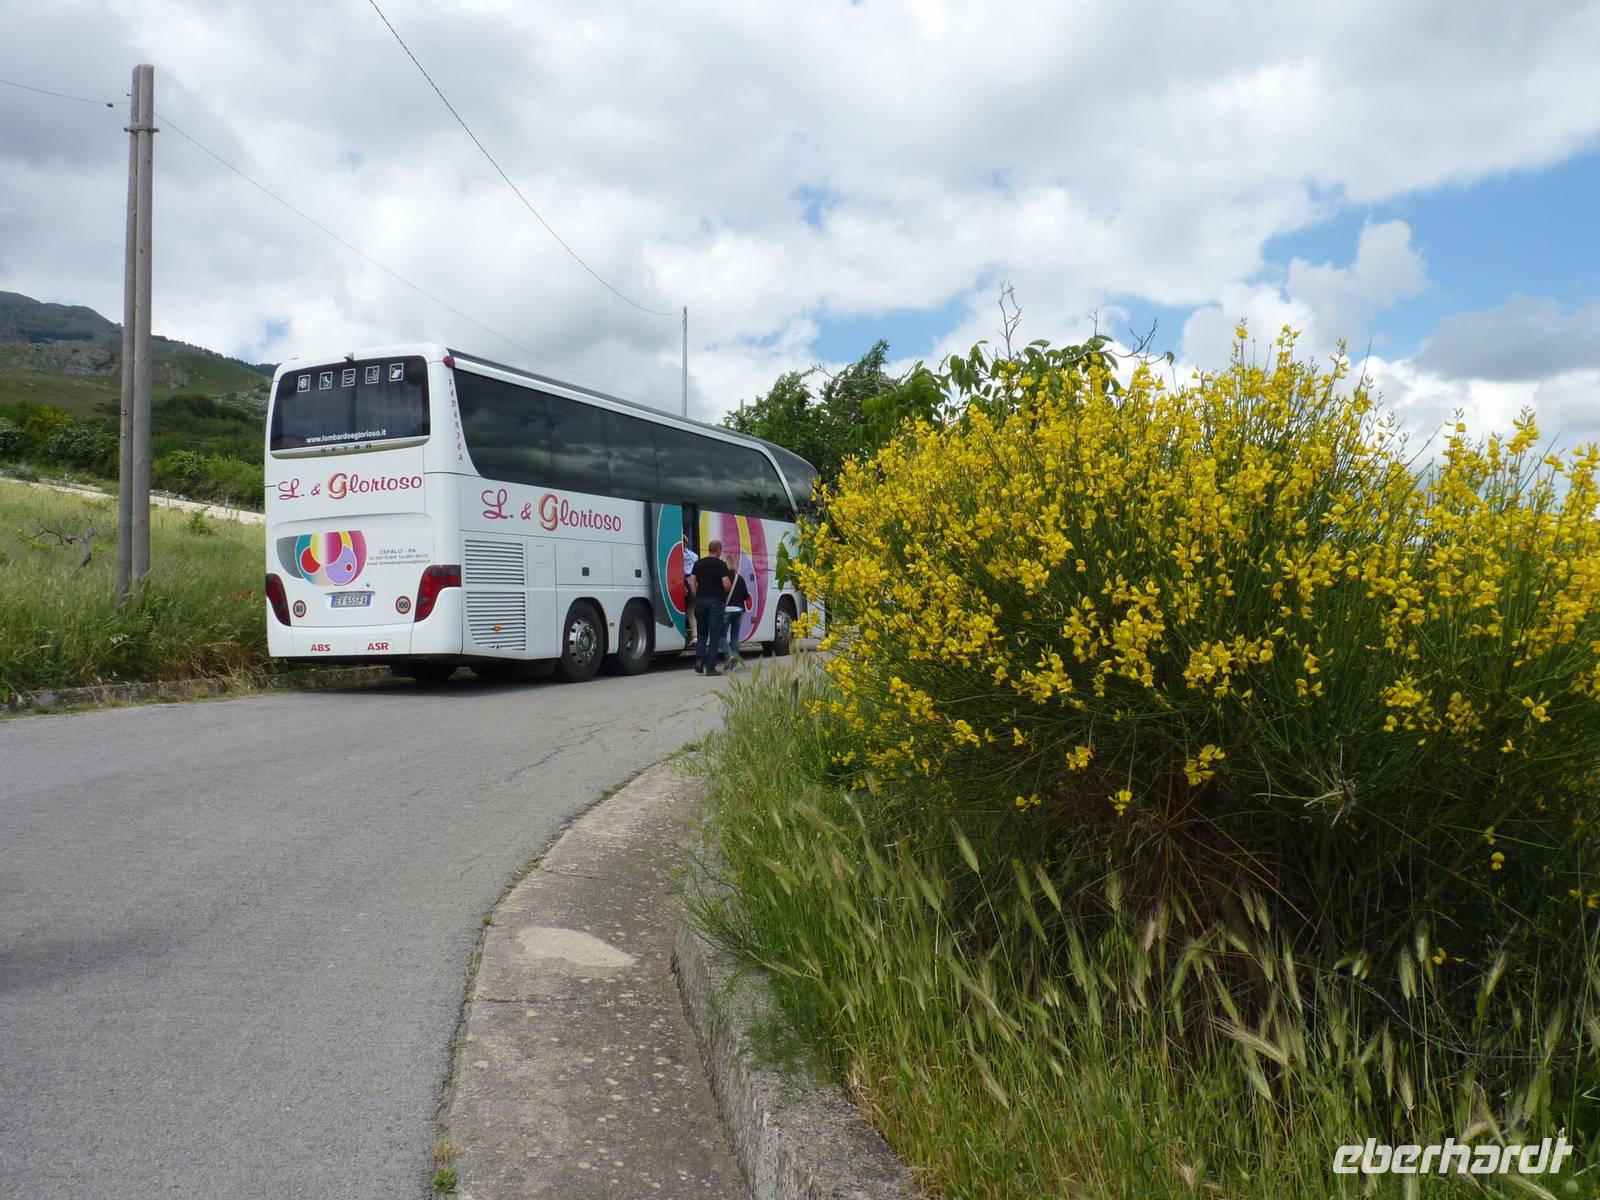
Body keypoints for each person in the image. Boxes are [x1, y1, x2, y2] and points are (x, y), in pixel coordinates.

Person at [688, 539, 732, 675]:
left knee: (701, 634)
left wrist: (697, 595)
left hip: (700, 601)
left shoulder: (698, 564)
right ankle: (710, 667)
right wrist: (724, 591)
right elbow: (726, 584)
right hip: (715, 602)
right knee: (714, 635)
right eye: (721, 550)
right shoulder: (721, 565)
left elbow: (692, 582)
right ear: (718, 550)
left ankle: (699, 661)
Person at [719, 570, 750, 670]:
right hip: (739, 610)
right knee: (735, 637)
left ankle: (728, 656)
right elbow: (746, 596)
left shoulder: (721, 579)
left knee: (721, 636)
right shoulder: (739, 578)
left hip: (726, 610)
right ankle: (734, 665)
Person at [681, 533, 699, 647]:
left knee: (685, 612)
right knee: (692, 612)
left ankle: (687, 635)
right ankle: (695, 636)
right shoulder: (694, 555)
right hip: (695, 584)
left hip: (685, 583)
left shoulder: (680, 554)